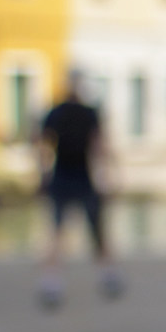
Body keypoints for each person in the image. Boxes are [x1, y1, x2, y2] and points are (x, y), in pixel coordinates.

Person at [38, 75, 118, 308]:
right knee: (88, 232)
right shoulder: (84, 113)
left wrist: (42, 176)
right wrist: (110, 175)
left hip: (66, 179)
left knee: (61, 232)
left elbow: (43, 146)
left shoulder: (57, 113)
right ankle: (106, 276)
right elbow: (99, 145)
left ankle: (52, 283)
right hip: (77, 179)